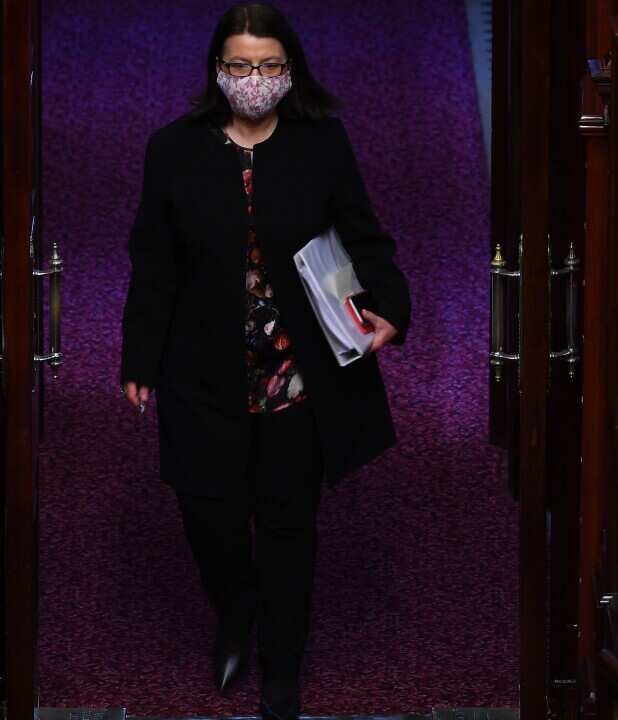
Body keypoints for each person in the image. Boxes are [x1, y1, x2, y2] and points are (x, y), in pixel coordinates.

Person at [118, 4, 411, 719]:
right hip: (201, 371)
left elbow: (365, 239)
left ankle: (283, 666)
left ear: (291, 71)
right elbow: (153, 264)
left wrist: (391, 308)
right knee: (206, 514)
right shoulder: (174, 149)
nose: (255, 80)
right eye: (241, 66)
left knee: (287, 524)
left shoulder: (322, 144)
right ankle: (236, 604)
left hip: (296, 373)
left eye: (270, 66)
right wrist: (140, 357)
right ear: (218, 71)